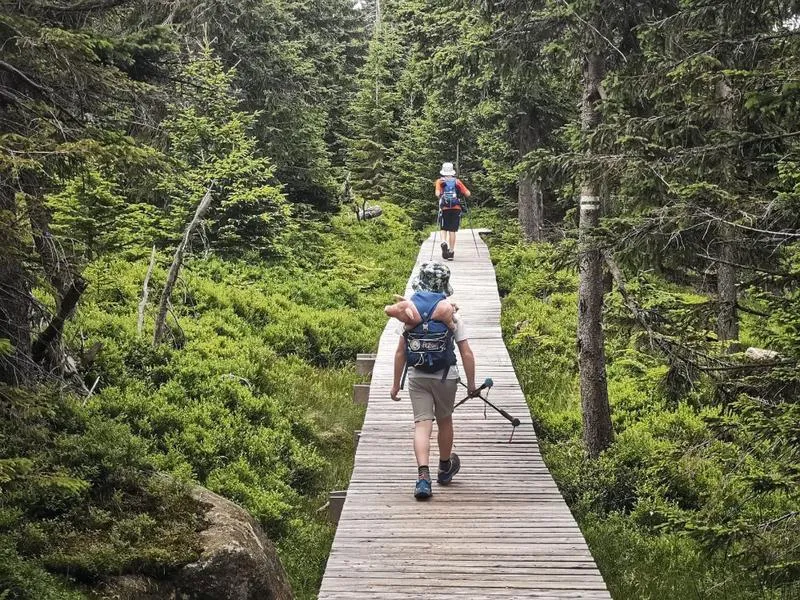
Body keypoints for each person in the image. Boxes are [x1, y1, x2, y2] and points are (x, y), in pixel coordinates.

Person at [389, 262, 476, 499]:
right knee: (445, 421)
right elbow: (466, 352)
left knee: (422, 425)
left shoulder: (410, 314)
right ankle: (445, 468)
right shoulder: (451, 313)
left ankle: (423, 477)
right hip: (446, 376)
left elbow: (400, 352)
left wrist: (396, 384)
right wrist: (471, 384)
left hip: (417, 376)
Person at [435, 162, 471, 261]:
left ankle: (443, 242)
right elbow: (468, 193)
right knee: (452, 230)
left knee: (443, 228)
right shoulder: (457, 181)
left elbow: (437, 193)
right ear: (452, 171)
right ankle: (451, 252)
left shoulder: (440, 181)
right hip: (456, 208)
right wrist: (460, 193)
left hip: (444, 208)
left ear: (443, 171)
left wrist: (442, 195)